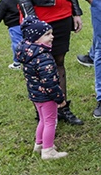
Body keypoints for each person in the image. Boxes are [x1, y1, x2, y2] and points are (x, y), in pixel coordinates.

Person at [16, 17, 68, 160]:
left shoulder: (29, 53)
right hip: (46, 96)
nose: (52, 36)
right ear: (36, 39)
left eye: (51, 33)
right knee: (51, 121)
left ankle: (39, 144)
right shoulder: (43, 57)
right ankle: (48, 150)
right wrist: (59, 98)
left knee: (43, 120)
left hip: (36, 95)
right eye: (47, 34)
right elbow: (50, 82)